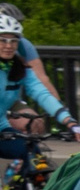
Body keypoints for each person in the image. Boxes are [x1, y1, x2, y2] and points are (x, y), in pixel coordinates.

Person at [0, 12, 75, 145]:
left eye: (14, 41)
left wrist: (68, 120)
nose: (9, 46)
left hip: (3, 122)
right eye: (3, 40)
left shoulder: (19, 67)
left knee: (29, 145)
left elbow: (41, 92)